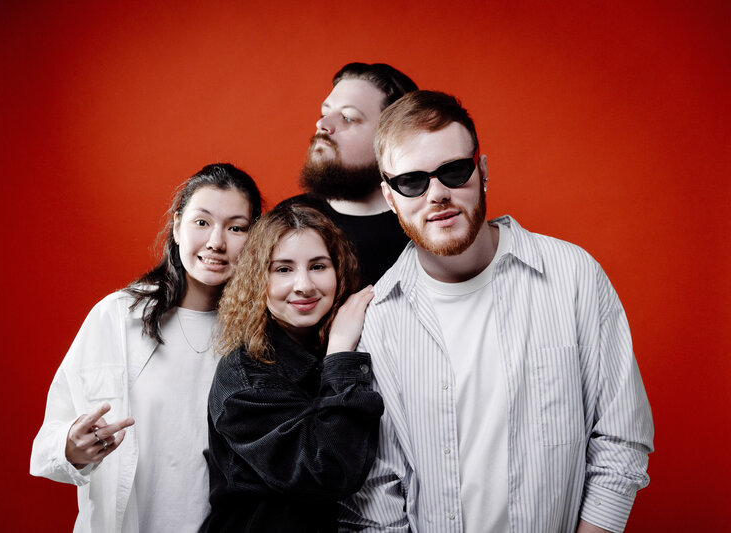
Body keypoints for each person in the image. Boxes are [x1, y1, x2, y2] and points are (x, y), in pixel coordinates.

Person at [339, 91, 654, 533]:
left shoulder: (573, 276)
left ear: (482, 171)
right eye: (412, 182)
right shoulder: (379, 320)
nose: (437, 195)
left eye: (454, 171)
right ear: (390, 196)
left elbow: (621, 438)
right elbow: (378, 491)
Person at [30, 163, 263, 533]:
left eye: (236, 228)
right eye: (202, 222)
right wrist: (71, 447)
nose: (216, 242)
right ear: (177, 226)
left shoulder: (260, 330)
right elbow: (48, 444)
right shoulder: (118, 316)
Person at [199, 203, 384, 532]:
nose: (304, 285)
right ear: (258, 278)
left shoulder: (345, 341)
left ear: (339, 270)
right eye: (283, 269)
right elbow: (329, 471)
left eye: (318, 266)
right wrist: (340, 352)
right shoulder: (244, 382)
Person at [282, 62, 418, 286]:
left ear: (393, 139)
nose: (322, 123)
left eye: (347, 118)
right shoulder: (287, 219)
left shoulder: (422, 227)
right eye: (325, 113)